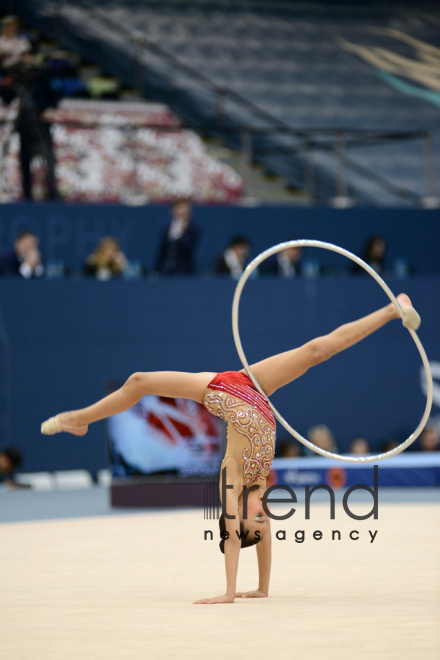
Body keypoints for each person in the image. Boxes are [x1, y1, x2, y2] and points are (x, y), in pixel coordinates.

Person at [41, 293, 420, 604]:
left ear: (240, 516)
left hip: (219, 389)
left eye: (255, 519)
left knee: (138, 381)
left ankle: (80, 418)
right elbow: (259, 543)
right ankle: (391, 308)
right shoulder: (262, 485)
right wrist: (262, 588)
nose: (263, 517)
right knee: (316, 352)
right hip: (255, 387)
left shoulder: (232, 478)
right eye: (264, 520)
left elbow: (232, 538)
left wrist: (228, 592)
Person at [155, 199, 199, 275]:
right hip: (167, 270)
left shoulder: (193, 230)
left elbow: (188, 248)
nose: (183, 211)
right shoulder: (167, 228)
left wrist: (183, 231)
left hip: (185, 272)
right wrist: (157, 270)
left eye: (186, 209)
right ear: (173, 210)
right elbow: (162, 250)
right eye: (180, 208)